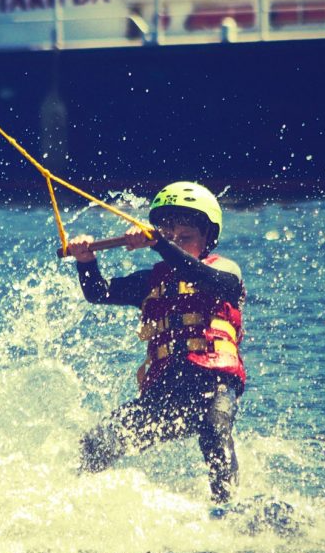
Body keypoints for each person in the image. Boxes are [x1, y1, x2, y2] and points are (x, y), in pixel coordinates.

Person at [66, 182, 246, 504]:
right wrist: (85, 260)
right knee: (98, 441)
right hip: (167, 394)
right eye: (168, 233)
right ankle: (73, 502)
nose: (175, 241)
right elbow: (98, 292)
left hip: (213, 385)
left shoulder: (223, 270)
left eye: (185, 236)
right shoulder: (149, 282)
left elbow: (210, 281)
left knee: (213, 430)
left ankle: (228, 509)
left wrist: (162, 244)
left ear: (207, 238)